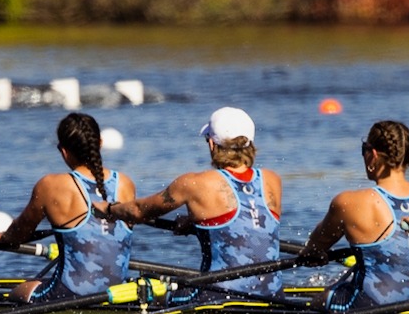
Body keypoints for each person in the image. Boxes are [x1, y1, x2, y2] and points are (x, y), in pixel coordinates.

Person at [97, 107, 286, 299]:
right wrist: (196, 221)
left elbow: (138, 211)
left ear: (212, 144)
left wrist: (109, 209)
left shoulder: (194, 183)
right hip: (272, 296)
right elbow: (247, 223)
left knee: (153, 294)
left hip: (218, 297)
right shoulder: (272, 180)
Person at [300, 121, 409, 310]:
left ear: (373, 154)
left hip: (371, 307)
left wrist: (310, 255)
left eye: (364, 150)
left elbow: (315, 248)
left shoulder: (349, 202)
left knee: (321, 299)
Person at [0, 113, 136, 302]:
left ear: (63, 151)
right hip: (117, 296)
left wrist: (4, 238)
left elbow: (20, 233)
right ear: (100, 144)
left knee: (17, 292)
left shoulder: (51, 185)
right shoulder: (125, 184)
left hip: (68, 295)